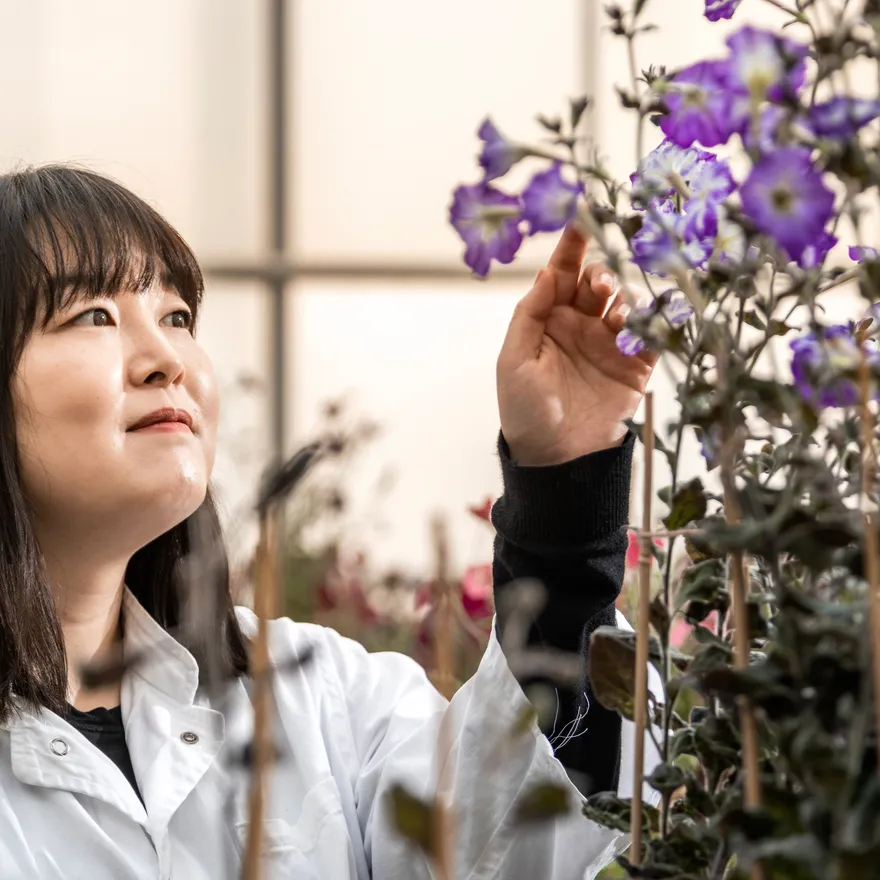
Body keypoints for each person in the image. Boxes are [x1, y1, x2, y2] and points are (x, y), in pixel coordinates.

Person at [0, 165, 660, 880]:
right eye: (92, 315)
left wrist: (563, 494)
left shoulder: (313, 695)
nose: (167, 360)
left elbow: (501, 848)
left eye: (177, 316)